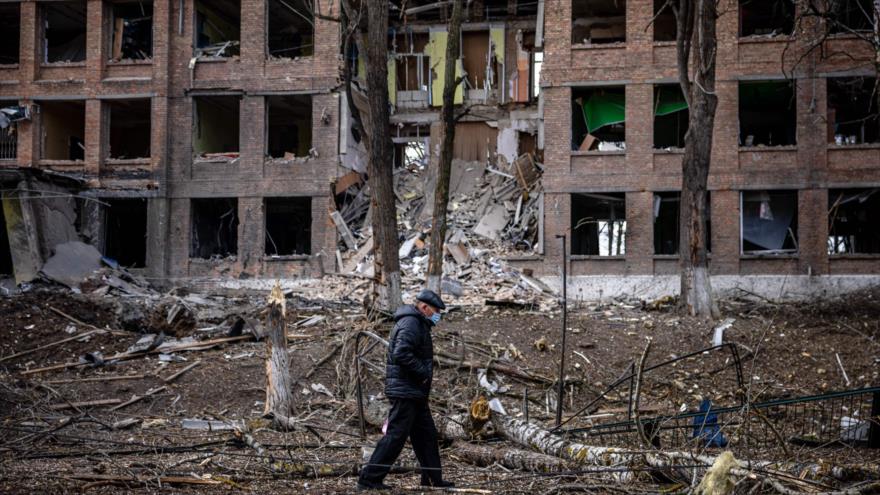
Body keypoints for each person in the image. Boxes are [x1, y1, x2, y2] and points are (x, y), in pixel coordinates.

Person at [357, 289, 455, 491]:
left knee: (426, 436)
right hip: (406, 391)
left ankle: (432, 480)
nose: (438, 315)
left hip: (414, 392)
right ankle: (369, 479)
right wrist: (423, 373)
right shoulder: (411, 323)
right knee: (395, 436)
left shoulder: (418, 323)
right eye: (435, 311)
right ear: (424, 307)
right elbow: (401, 352)